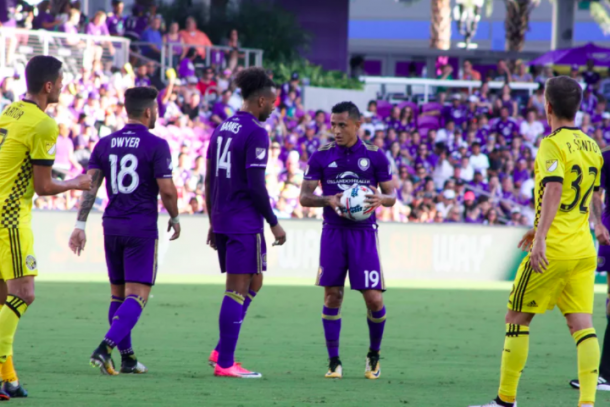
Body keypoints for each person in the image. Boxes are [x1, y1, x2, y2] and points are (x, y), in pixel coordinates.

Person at [471, 76, 610, 407]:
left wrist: (541, 239)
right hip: (583, 249)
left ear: (547, 106)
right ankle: (587, 403)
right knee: (582, 324)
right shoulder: (592, 146)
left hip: (555, 248)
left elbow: (554, 189)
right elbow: (593, 194)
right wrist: (597, 223)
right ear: (576, 108)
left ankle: (506, 400)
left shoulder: (552, 144)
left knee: (516, 318)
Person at [68, 86, 180, 375]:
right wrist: (175, 217)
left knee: (117, 295)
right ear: (147, 112)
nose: (157, 113)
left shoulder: (104, 144)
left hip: (112, 225)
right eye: (155, 109)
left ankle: (128, 359)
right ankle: (105, 348)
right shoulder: (157, 145)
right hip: (141, 227)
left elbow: (89, 185)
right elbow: (167, 190)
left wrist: (80, 224)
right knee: (138, 295)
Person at [0, 56, 92, 400]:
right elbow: (43, 187)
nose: (64, 86)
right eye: (61, 80)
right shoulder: (43, 125)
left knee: (2, 299)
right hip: (9, 217)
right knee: (23, 294)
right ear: (49, 86)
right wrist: (76, 182)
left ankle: (7, 378)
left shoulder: (10, 111)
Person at [299, 101, 396, 380]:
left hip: (363, 234)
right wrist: (327, 199)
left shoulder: (375, 157)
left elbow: (391, 195)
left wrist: (381, 199)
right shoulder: (321, 156)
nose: (336, 130)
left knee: (374, 299)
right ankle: (334, 361)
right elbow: (304, 197)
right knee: (332, 295)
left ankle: (373, 355)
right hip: (333, 232)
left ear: (357, 125)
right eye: (333, 124)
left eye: (342, 125)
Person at [205, 67, 287, 378]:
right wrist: (274, 222)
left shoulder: (222, 127)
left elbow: (209, 179)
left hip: (226, 217)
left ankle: (220, 348)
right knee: (236, 290)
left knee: (255, 281)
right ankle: (226, 363)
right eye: (273, 102)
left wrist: (213, 220)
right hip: (243, 220)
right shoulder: (256, 132)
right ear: (261, 101)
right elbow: (256, 185)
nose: (275, 106)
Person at [570, 143, 610, 392]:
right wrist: (598, 223)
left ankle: (605, 374)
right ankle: (604, 374)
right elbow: (596, 193)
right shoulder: (604, 158)